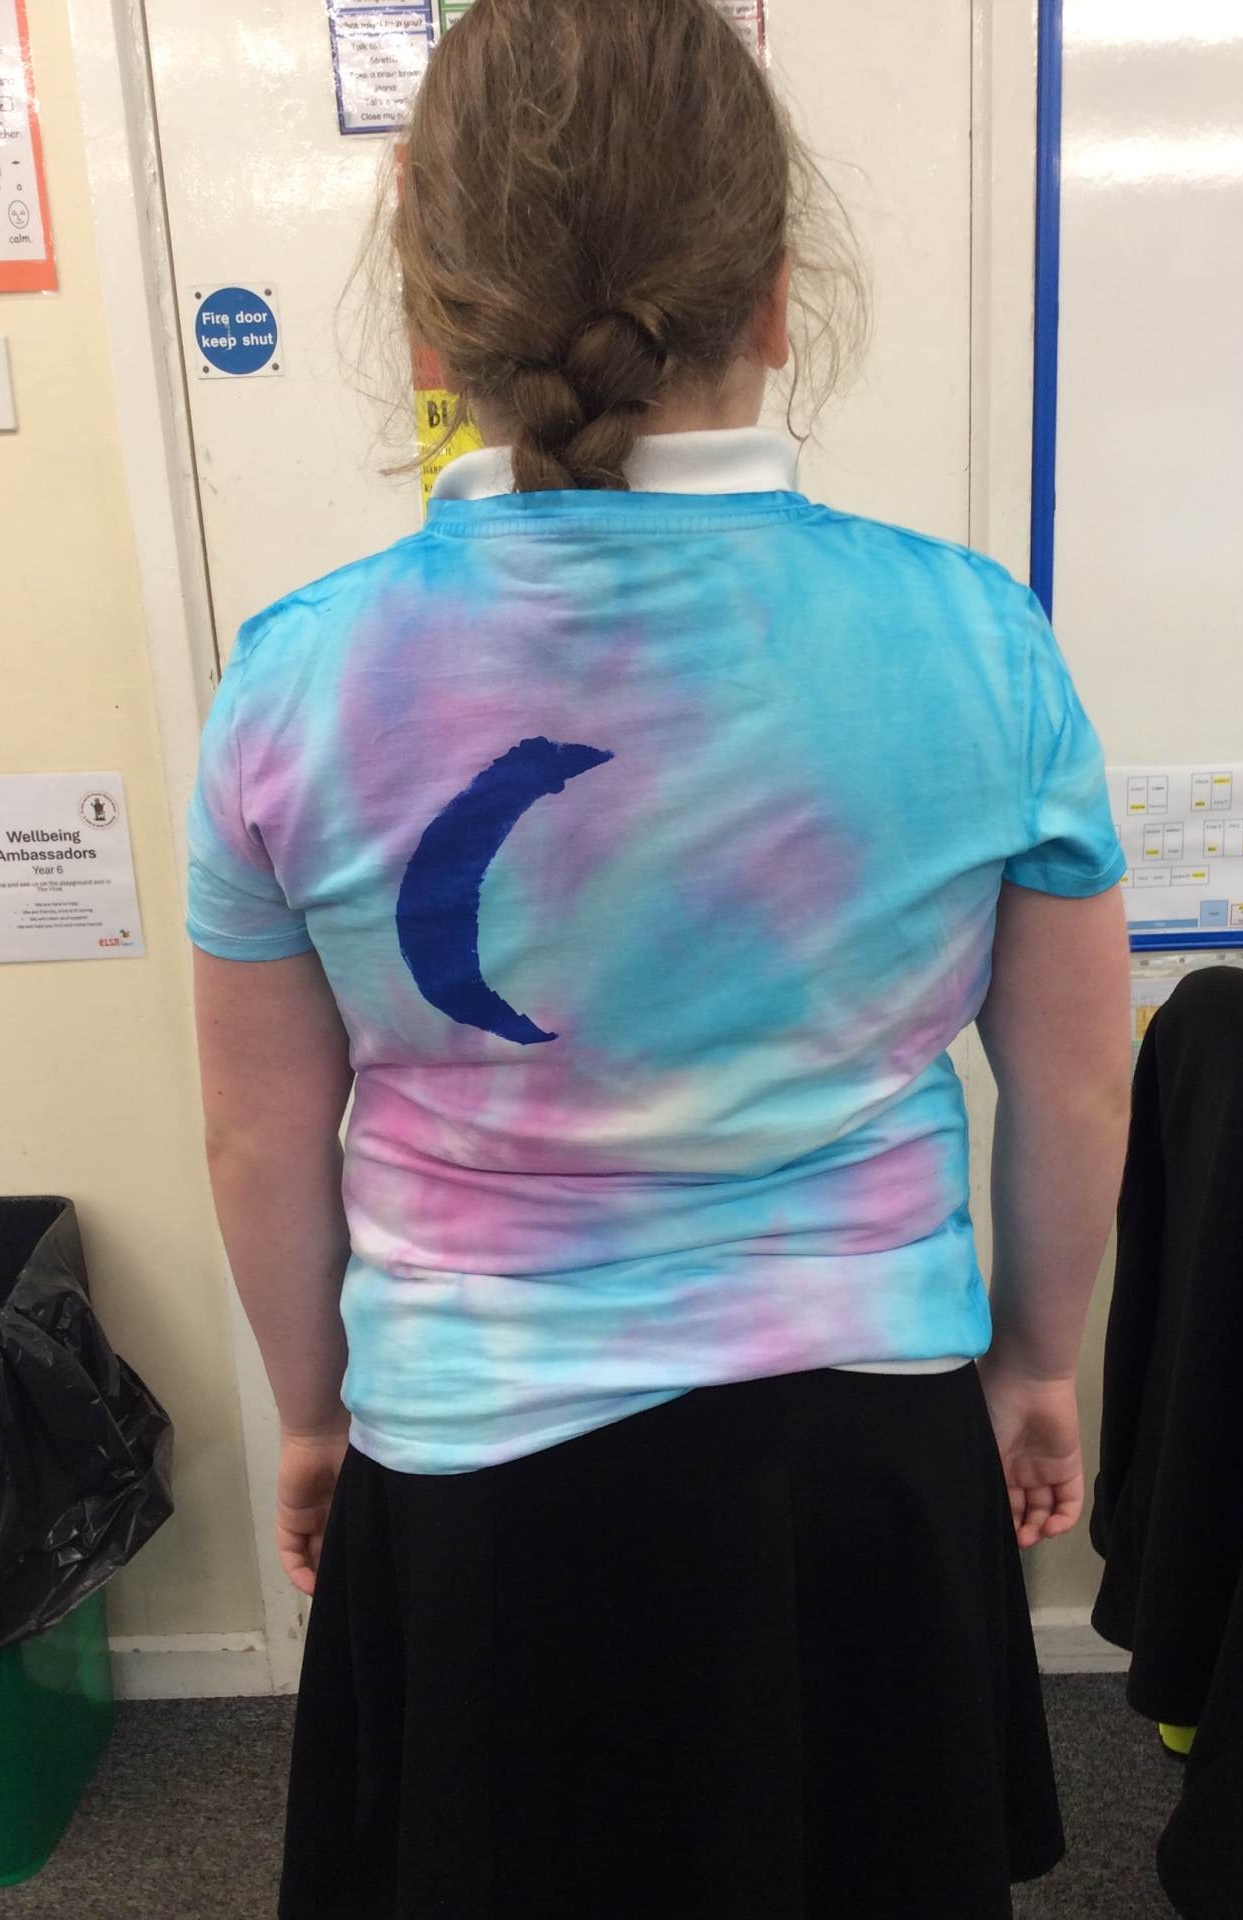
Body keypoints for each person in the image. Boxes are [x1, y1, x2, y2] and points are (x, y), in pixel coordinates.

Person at [187, 3, 1130, 1915]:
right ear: (776, 296)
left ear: (430, 317)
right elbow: (1074, 1084)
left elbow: (260, 1138)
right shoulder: (976, 638)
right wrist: (1039, 1362)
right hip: (865, 1442)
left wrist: (310, 1411)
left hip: (478, 1452)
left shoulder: (299, 678)